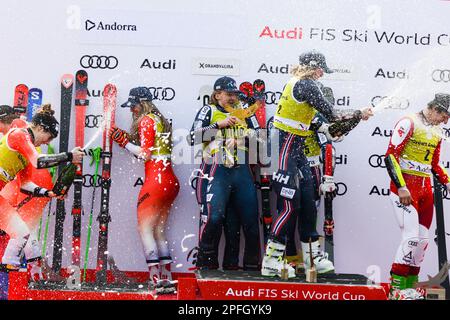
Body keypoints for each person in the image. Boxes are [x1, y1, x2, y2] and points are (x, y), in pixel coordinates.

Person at [262, 50, 373, 278]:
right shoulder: (306, 84)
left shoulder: (303, 85)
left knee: (309, 204)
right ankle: (271, 261)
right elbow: (332, 114)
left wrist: (355, 120)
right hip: (283, 148)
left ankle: (312, 258)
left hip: (296, 149)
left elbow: (331, 130)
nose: (323, 75)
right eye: (322, 70)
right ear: (314, 67)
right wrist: (358, 113)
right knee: (290, 205)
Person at [110, 87, 179, 291]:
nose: (132, 110)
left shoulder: (147, 120)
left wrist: (123, 142)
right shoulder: (161, 120)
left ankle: (155, 280)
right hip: (169, 181)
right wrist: (127, 139)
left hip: (156, 181)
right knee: (158, 230)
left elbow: (145, 154)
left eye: (133, 106)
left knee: (145, 229)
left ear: (142, 103)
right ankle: (166, 277)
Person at [189, 76, 261, 271]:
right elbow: (192, 137)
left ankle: (250, 269)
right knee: (214, 218)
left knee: (250, 222)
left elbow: (261, 139)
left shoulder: (244, 111)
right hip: (217, 169)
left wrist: (242, 139)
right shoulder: (209, 110)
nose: (232, 98)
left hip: (242, 171)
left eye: (235, 94)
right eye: (228, 94)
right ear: (217, 95)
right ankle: (206, 266)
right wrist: (219, 126)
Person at [0, 104, 84, 270]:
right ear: (38, 127)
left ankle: (8, 279)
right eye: (49, 136)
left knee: (22, 234)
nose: (47, 142)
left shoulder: (25, 150)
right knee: (21, 234)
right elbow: (38, 161)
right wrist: (69, 156)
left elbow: (25, 185)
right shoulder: (19, 135)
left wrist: (49, 192)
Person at [384, 93, 450, 300]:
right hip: (405, 189)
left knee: (422, 241)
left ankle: (409, 286)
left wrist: (447, 182)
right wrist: (401, 186)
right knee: (411, 238)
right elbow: (390, 156)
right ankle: (396, 289)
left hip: (425, 190)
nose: (446, 120)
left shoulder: (437, 130)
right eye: (445, 115)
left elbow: (434, 164)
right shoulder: (408, 122)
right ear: (434, 109)